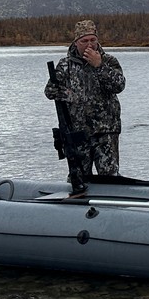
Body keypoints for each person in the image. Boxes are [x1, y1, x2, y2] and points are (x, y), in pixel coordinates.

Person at [45, 18, 126, 179]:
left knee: (110, 177)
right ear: (76, 43)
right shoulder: (65, 65)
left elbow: (119, 85)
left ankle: (110, 202)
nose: (89, 44)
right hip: (78, 133)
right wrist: (69, 95)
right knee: (79, 177)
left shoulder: (109, 61)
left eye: (92, 40)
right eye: (84, 41)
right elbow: (49, 91)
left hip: (106, 131)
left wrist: (99, 66)